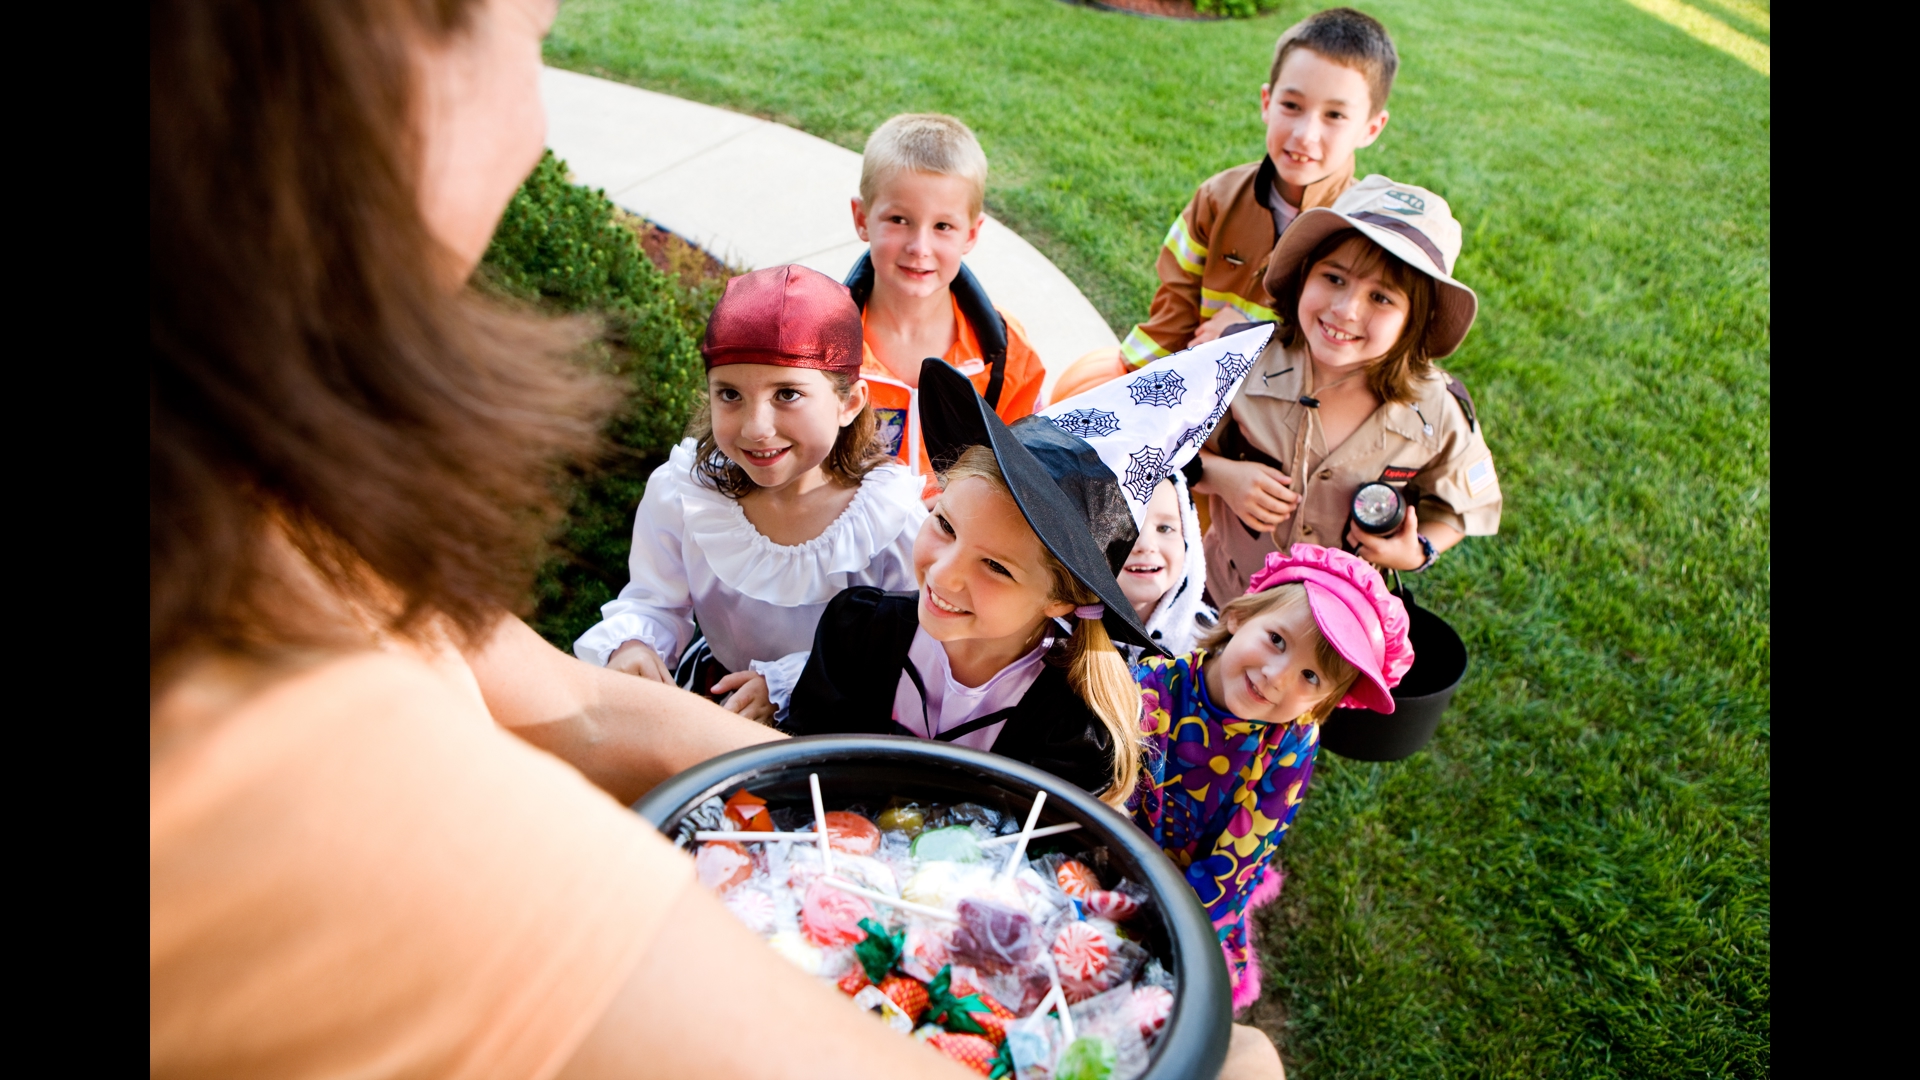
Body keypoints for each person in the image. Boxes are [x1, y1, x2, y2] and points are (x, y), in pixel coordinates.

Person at [150, 0, 978, 1075]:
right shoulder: (294, 762)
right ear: (376, 71)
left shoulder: (252, 499)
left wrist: (888, 824)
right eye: (530, 34)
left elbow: (575, 707)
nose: (536, 129)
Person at [786, 326, 1271, 805]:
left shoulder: (1072, 731)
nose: (944, 574)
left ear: (1063, 596)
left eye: (996, 566)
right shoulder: (858, 632)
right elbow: (798, 781)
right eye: (946, 526)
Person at [573, 265, 925, 725]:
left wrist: (795, 679)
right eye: (730, 395)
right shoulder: (685, 494)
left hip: (837, 721)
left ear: (849, 403)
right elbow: (653, 601)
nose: (756, 428)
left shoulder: (889, 520)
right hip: (718, 700)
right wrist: (634, 643)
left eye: (787, 394)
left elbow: (909, 650)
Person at [1051, 7, 1396, 401]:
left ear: (1371, 128)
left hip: (1283, 411)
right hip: (1197, 386)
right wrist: (1135, 386)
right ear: (1267, 102)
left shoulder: (1363, 232)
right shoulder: (1217, 198)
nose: (1305, 134)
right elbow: (1176, 303)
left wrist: (1244, 335)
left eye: (1334, 115)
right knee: (1084, 394)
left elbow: (1347, 350)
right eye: (1291, 106)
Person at [1129, 545, 1413, 1011]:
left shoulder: (1293, 742)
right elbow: (1107, 792)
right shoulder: (1151, 686)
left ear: (1324, 704)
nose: (1277, 678)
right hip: (1120, 853)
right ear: (1239, 615)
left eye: (1311, 676)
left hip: (1199, 886)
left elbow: (1244, 850)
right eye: (1277, 640)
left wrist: (1173, 928)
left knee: (1171, 993)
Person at [1192, 176, 1503, 599]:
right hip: (1221, 593)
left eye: (1381, 298)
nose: (1345, 310)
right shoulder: (1240, 359)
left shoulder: (1437, 411)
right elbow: (1160, 450)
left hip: (1330, 628)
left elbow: (1462, 507)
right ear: (1303, 275)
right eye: (1334, 278)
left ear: (1416, 319)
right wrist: (1221, 476)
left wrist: (1417, 550)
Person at [843, 113, 1048, 492]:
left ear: (971, 234)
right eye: (899, 219)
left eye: (942, 227)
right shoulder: (818, 347)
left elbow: (1023, 475)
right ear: (861, 218)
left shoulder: (1005, 357)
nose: (919, 248)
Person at [1116, 475, 1217, 661]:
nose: (1145, 545)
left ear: (1188, 538)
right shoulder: (1054, 639)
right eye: (1123, 526)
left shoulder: (1213, 643)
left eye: (1164, 528)